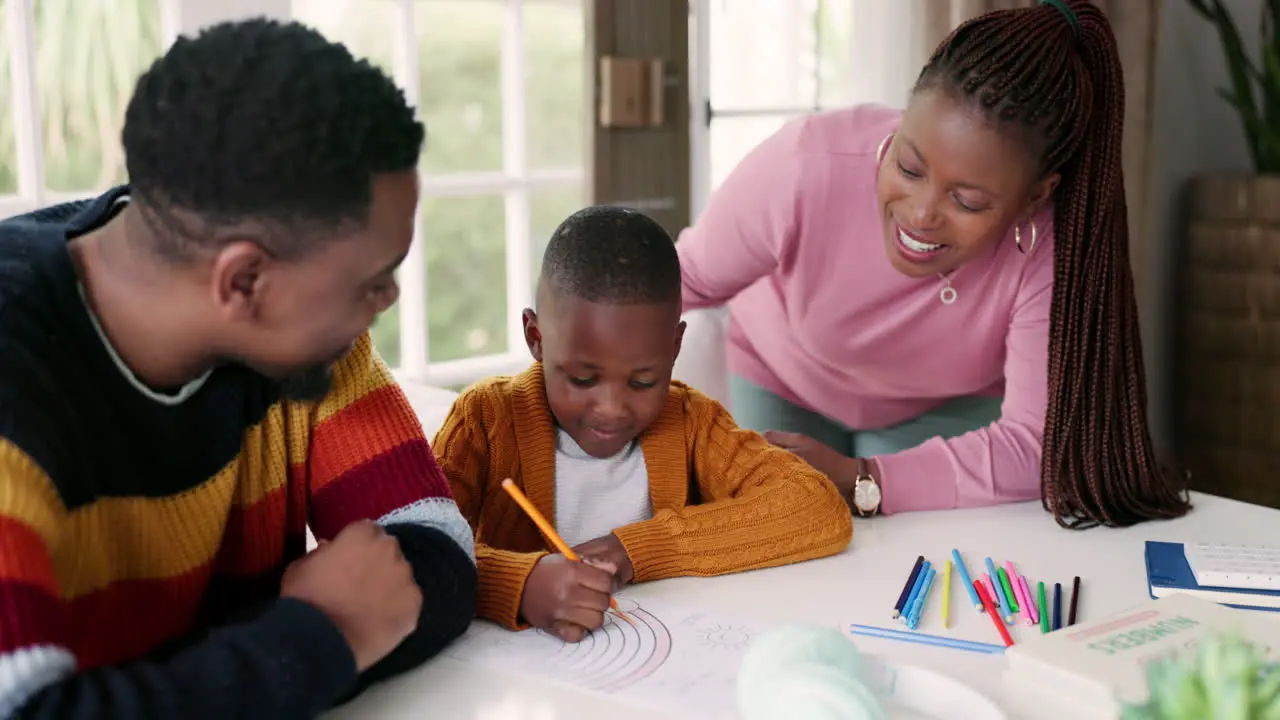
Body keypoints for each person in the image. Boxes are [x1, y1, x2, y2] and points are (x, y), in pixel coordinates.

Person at [0, 19, 477, 719]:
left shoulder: (305, 339)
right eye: (371, 282)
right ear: (245, 280)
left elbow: (434, 545)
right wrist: (323, 635)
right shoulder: (18, 387)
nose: (387, 301)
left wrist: (219, 678)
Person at [676, 0, 1190, 529]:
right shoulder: (804, 167)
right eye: (908, 165)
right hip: (783, 376)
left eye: (967, 201)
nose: (921, 214)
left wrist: (865, 477)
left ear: (1036, 196)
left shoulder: (1048, 248)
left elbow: (1033, 444)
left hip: (941, 409)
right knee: (777, 536)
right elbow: (682, 281)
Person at [432, 205, 852, 642]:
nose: (611, 408)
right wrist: (522, 586)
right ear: (536, 338)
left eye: (643, 381)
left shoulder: (690, 422)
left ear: (674, 347)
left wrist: (637, 548)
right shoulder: (485, 420)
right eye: (582, 379)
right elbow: (418, 550)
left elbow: (815, 506)